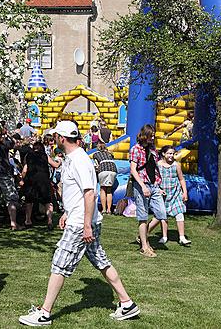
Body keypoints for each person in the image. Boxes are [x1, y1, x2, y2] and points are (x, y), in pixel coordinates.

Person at [18, 121, 139, 325]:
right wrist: (66, 212)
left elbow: (90, 194)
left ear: (62, 138)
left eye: (55, 136)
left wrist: (85, 225)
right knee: (100, 260)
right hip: (80, 219)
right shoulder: (72, 158)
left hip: (81, 224)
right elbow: (75, 193)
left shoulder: (80, 160)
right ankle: (127, 304)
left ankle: (44, 313)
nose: (53, 139)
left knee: (59, 264)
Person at [129, 124, 167, 258]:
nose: (153, 137)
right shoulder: (135, 149)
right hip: (142, 184)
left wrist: (159, 185)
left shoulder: (153, 149)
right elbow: (133, 169)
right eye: (151, 135)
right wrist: (142, 186)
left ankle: (142, 235)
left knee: (162, 213)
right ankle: (144, 246)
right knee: (143, 216)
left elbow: (155, 166)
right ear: (145, 135)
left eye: (153, 135)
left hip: (154, 184)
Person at [146, 146, 191, 246]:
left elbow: (181, 179)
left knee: (179, 213)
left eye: (173, 154)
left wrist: (185, 192)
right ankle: (164, 236)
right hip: (163, 194)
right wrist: (158, 190)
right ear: (163, 154)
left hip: (175, 193)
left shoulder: (176, 165)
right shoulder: (158, 165)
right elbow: (154, 179)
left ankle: (182, 237)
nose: (171, 156)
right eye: (169, 153)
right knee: (163, 216)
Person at [20, 141, 54, 229]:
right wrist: (60, 162)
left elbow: (24, 170)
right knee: (47, 201)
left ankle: (28, 220)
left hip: (31, 180)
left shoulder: (28, 156)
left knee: (29, 201)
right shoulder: (45, 155)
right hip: (44, 180)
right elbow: (55, 165)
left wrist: (22, 179)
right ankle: (49, 221)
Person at [92, 141, 118, 214]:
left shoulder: (96, 154)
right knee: (109, 190)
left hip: (103, 169)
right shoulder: (110, 154)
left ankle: (103, 209)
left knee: (103, 189)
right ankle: (109, 210)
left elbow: (96, 165)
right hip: (113, 169)